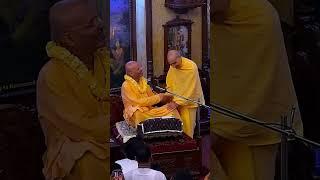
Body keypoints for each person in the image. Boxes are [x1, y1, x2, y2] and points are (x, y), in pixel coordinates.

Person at [210, 0, 303, 179]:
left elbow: (217, 7)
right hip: (235, 25)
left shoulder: (251, 24)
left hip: (246, 26)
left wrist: (216, 130)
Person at [36, 0, 109, 179]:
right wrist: (119, 127)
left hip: (109, 134)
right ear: (69, 38)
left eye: (98, 18)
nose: (100, 25)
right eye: (90, 24)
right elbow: (79, 126)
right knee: (89, 161)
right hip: (74, 144)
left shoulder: (103, 59)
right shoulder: (51, 74)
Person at [121, 61, 181, 127]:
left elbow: (152, 97)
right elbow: (137, 102)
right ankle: (143, 131)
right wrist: (158, 97)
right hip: (137, 112)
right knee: (137, 113)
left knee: (171, 109)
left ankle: (176, 130)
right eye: (138, 69)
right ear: (131, 73)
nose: (141, 69)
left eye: (140, 67)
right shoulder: (126, 85)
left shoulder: (143, 82)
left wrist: (165, 97)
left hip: (149, 110)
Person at [166, 50, 205, 138]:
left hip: (189, 101)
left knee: (188, 126)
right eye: (171, 64)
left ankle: (188, 146)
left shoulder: (191, 67)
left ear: (179, 57)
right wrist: (169, 95)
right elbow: (170, 80)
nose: (173, 66)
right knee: (177, 125)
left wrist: (177, 102)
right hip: (176, 99)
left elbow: (190, 88)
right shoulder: (173, 65)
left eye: (174, 63)